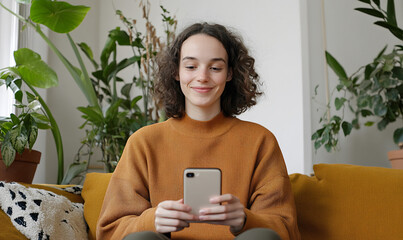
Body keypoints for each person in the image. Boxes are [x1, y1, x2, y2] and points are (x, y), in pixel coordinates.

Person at [96, 22, 300, 240]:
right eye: (191, 66)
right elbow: (109, 231)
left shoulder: (261, 140)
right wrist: (153, 220)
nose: (202, 77)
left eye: (215, 68)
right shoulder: (143, 142)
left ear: (230, 74)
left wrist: (245, 220)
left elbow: (284, 229)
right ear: (176, 72)